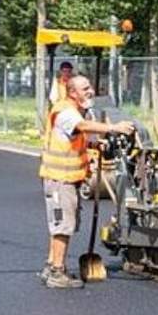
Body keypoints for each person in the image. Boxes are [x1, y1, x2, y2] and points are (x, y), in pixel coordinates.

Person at [38, 75, 134, 289]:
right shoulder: (65, 112)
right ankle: (57, 272)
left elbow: (79, 136)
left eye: (90, 87)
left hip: (68, 180)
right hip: (59, 180)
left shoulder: (76, 111)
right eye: (85, 88)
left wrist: (96, 144)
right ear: (73, 93)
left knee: (61, 225)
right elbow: (80, 126)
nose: (90, 91)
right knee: (63, 226)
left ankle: (51, 265)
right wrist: (113, 128)